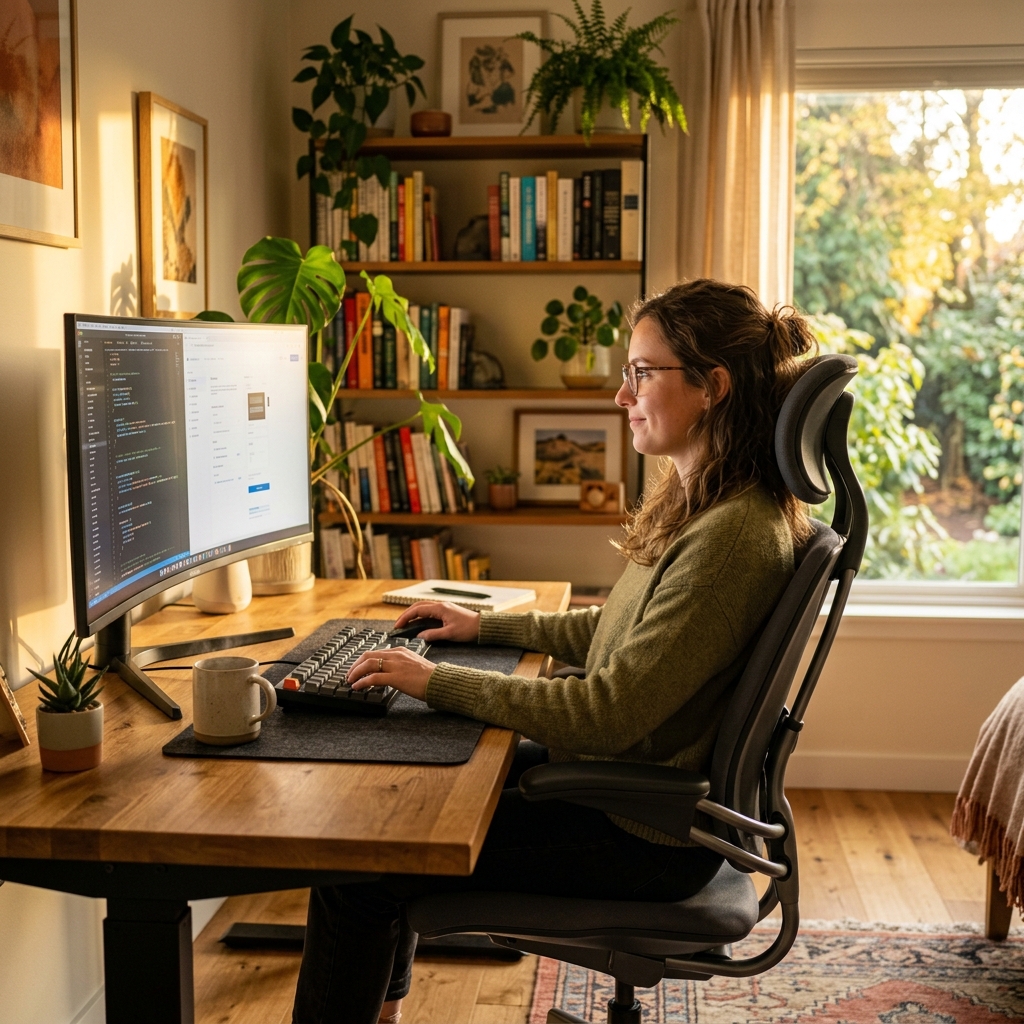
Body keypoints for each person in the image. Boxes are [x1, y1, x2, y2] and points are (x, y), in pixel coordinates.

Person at [292, 279, 817, 1024]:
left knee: (362, 860)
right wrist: (484, 630)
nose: (620, 395)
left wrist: (434, 681)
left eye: (641, 372)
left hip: (645, 835)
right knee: (399, 800)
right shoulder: (711, 502)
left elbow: (605, 713)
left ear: (713, 387)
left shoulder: (731, 537)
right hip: (640, 796)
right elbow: (615, 640)